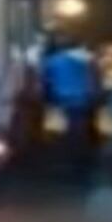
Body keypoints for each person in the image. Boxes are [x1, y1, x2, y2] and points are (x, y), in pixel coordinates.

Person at [40, 33, 103, 165]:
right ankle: (82, 152)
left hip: (62, 97)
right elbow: (96, 78)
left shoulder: (53, 60)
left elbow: (45, 79)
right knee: (81, 124)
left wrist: (46, 96)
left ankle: (73, 152)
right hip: (85, 97)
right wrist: (97, 94)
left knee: (71, 125)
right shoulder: (88, 59)